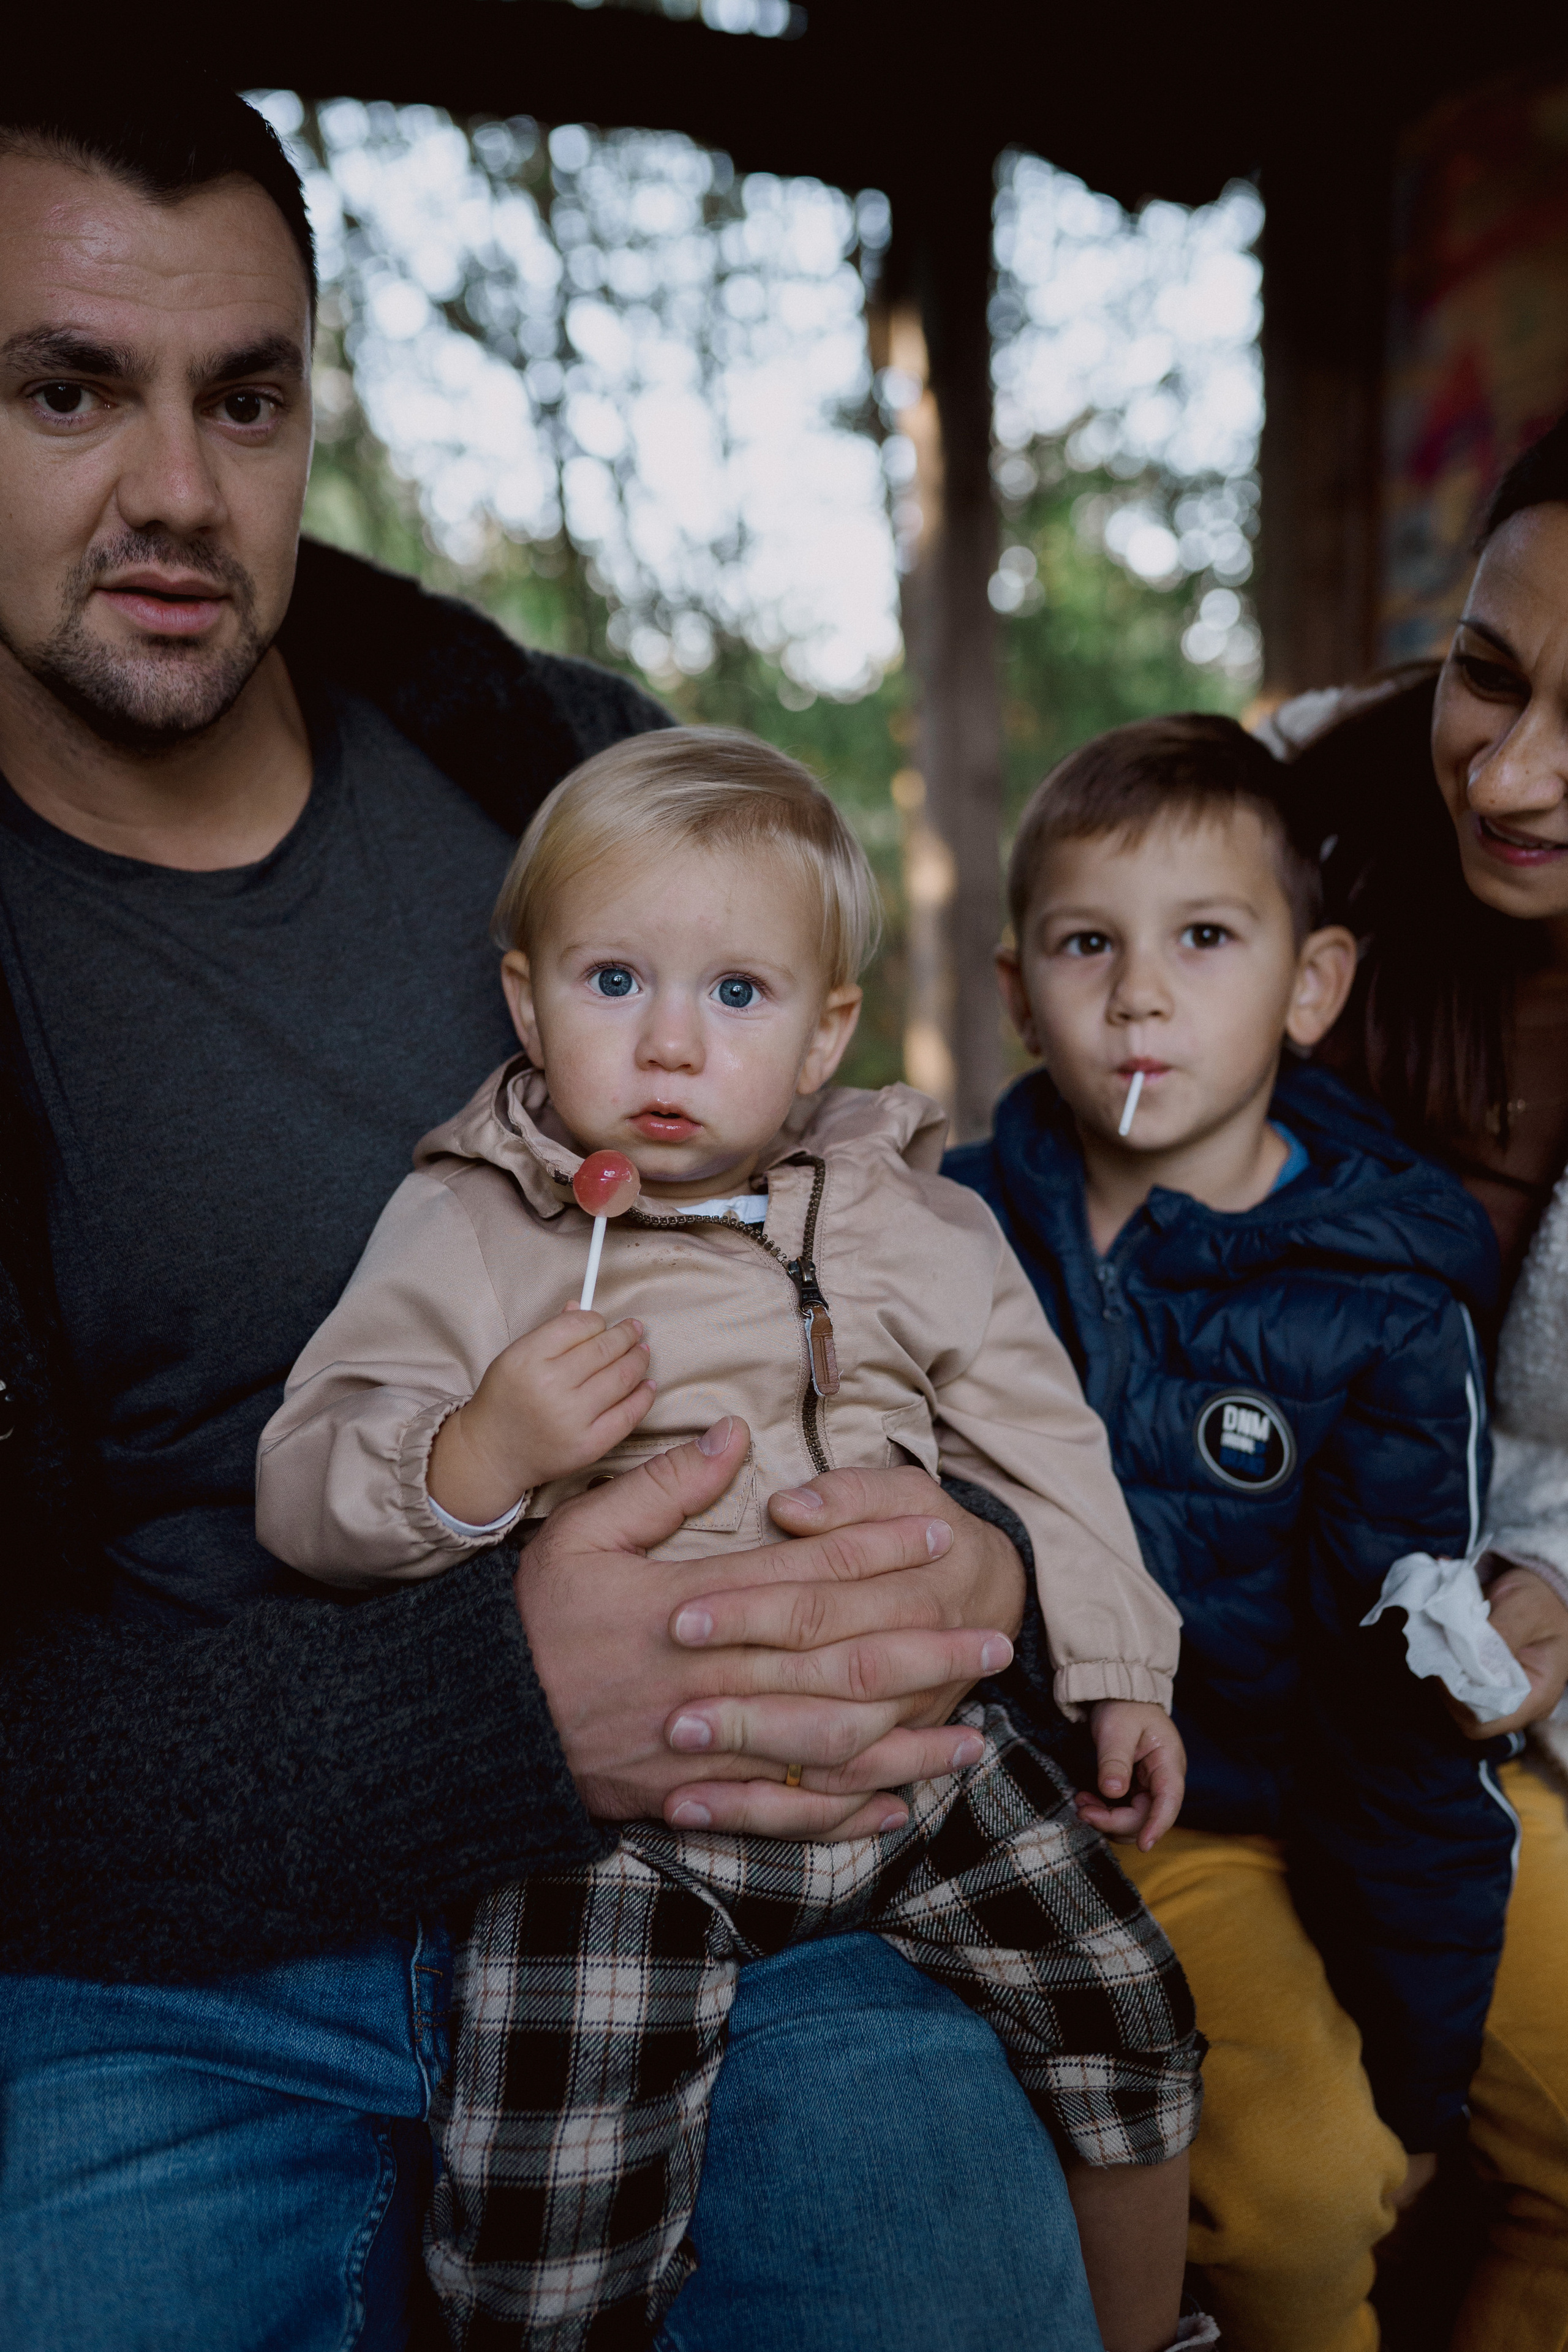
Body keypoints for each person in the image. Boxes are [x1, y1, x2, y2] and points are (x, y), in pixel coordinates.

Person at [0, 58, 1107, 2352]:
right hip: (152, 1956)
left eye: (251, 397)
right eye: (67, 392)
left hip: (765, 1870)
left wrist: (979, 1546)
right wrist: (495, 1709)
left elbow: (862, 1224)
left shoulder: (544, 757)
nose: (177, 491)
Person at [258, 726, 1210, 2352]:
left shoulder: (915, 1218)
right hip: (622, 1819)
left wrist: (1120, 1664)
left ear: (829, 1029)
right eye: (616, 981)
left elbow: (1041, 1445)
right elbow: (308, 1475)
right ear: (524, 996)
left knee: (1129, 2012)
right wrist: (479, 1452)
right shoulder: (473, 1220)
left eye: (741, 996)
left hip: (912, 1759)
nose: (673, 1046)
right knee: (547, 2197)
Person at [946, 712, 1515, 2352]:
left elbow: (1412, 1701)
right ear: (1014, 989)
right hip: (1127, 1820)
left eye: (1204, 938)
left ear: (1312, 985)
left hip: (1371, 1787)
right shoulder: (957, 1236)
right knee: (1302, 2197)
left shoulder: (1392, 1292)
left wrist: (1425, 2058)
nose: (1138, 995)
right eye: (1085, 944)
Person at [1240, 408, 1568, 2352]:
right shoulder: (1270, 831)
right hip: (1208, 1656)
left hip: (1489, 1707)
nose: (1516, 775)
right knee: (1295, 2190)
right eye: (1489, 675)